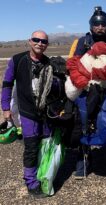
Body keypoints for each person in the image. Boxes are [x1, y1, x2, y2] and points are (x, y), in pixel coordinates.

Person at [67, 6, 106, 179]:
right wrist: (83, 81)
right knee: (84, 124)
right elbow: (72, 63)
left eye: (103, 24)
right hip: (86, 90)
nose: (100, 28)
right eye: (96, 25)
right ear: (91, 26)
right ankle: (82, 161)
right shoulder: (81, 42)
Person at [1, 30, 51, 197]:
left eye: (43, 41)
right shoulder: (17, 60)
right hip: (27, 112)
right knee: (30, 147)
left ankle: (43, 174)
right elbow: (7, 84)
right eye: (36, 40)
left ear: (47, 44)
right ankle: (31, 182)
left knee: (45, 145)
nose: (39, 43)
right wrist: (6, 109)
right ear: (30, 41)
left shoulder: (49, 63)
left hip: (45, 113)